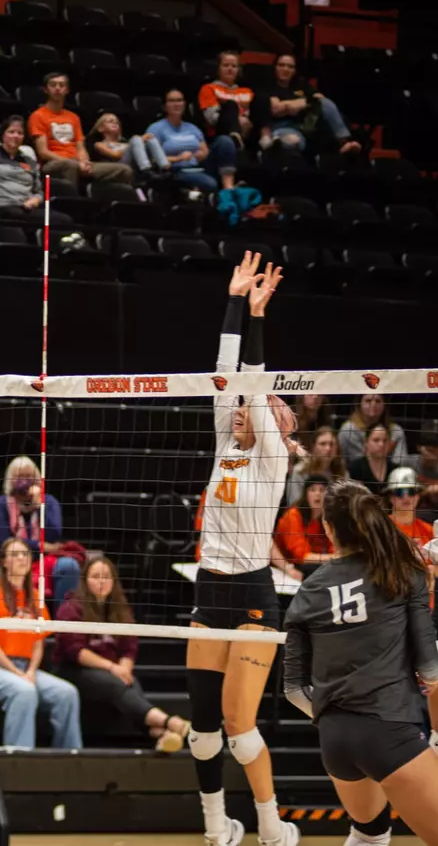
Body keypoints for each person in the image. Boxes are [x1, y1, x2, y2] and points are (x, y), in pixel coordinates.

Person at [187, 251, 298, 846]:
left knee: (239, 726)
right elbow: (227, 372)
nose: (246, 410)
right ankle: (214, 825)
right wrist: (233, 302)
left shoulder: (272, 454)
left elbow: (253, 385)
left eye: (266, 408)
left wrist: (258, 317)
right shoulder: (225, 439)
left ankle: (270, 822)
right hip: (211, 586)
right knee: (202, 731)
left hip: (255, 592)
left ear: (281, 425)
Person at [284, 479, 438, 846]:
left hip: (335, 741)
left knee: (369, 834)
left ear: (328, 527)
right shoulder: (401, 573)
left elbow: (292, 689)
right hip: (389, 731)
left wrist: (331, 717)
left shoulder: (308, 590)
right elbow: (431, 671)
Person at [53, 557, 189, 750]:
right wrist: (113, 668)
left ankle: (161, 735)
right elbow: (76, 651)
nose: (101, 581)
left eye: (106, 577)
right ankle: (171, 722)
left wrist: (124, 668)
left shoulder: (120, 608)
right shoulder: (71, 607)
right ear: (85, 580)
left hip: (110, 672)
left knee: (130, 683)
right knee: (118, 684)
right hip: (73, 670)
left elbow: (129, 646)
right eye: (96, 576)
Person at [0, 537, 82, 750]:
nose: (21, 558)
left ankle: (70, 757)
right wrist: (18, 675)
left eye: (25, 554)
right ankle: (19, 756)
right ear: (3, 562)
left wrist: (29, 672)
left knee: (67, 693)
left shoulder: (34, 597)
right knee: (24, 691)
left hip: (25, 666)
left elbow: (39, 642)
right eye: (14, 554)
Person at [0, 456, 80, 604]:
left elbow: (54, 534)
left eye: (28, 476)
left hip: (45, 559)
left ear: (36, 479)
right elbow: (3, 540)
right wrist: (38, 546)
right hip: (12, 557)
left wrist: (39, 506)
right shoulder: (0, 504)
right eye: (19, 476)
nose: (24, 480)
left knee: (69, 566)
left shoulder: (49, 502)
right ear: (10, 479)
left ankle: (62, 620)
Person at [27, 73, 132, 186]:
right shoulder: (38, 116)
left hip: (76, 162)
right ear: (46, 90)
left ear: (67, 90)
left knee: (124, 170)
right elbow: (43, 152)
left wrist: (84, 162)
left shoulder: (73, 117)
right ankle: (72, 201)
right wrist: (73, 162)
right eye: (53, 85)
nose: (57, 88)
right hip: (53, 163)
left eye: (61, 85)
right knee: (70, 165)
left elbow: (80, 147)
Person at [261, 52, 360, 155]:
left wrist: (290, 106)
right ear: (275, 68)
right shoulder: (269, 86)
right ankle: (275, 147)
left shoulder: (300, 85)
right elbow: (276, 109)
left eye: (290, 67)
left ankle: (344, 142)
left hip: (303, 125)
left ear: (294, 71)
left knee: (325, 104)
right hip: (281, 126)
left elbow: (320, 99)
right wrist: (306, 102)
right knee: (292, 140)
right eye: (281, 65)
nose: (286, 69)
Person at [145, 89, 239, 193]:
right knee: (210, 183)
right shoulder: (156, 128)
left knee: (225, 141)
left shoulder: (192, 128)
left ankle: (229, 188)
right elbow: (153, 159)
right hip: (176, 170)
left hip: (199, 166)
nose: (176, 104)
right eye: (172, 101)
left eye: (179, 100)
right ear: (164, 106)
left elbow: (205, 151)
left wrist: (202, 154)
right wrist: (178, 158)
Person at [273, 476, 334, 580]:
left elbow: (334, 547)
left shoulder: (328, 517)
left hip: (315, 562)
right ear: (305, 494)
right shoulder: (293, 515)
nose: (317, 494)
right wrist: (334, 558)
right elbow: (301, 556)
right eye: (312, 490)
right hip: (288, 565)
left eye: (322, 490)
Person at [0, 115, 44, 217]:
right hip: (1, 204)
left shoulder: (29, 161)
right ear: (3, 134)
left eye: (20, 133)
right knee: (14, 214)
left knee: (63, 220)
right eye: (11, 132)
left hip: (27, 207)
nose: (16, 136)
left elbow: (38, 191)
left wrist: (35, 200)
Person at [88, 111, 170, 181]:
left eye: (117, 122)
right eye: (110, 121)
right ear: (100, 128)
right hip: (121, 167)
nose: (115, 123)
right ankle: (146, 171)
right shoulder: (100, 144)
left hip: (136, 166)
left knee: (150, 138)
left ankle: (165, 168)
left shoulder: (126, 143)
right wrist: (136, 141)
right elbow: (115, 155)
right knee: (136, 138)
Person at [197, 50, 255, 146]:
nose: (230, 69)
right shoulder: (209, 88)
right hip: (221, 132)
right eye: (226, 65)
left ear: (238, 70)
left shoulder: (247, 91)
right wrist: (236, 119)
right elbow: (212, 119)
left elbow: (255, 115)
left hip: (248, 130)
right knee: (230, 104)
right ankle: (235, 136)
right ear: (218, 68)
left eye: (234, 66)